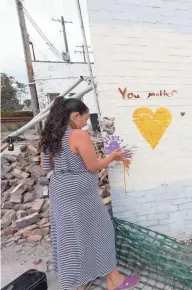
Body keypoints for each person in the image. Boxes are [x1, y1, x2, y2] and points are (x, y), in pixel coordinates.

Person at [40, 97, 140, 290]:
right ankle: (115, 280)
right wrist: (112, 157)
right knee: (102, 231)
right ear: (75, 115)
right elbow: (93, 166)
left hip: (59, 190)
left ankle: (78, 281)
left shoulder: (50, 135)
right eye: (84, 119)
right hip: (79, 194)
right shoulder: (77, 135)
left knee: (71, 235)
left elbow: (46, 167)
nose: (85, 124)